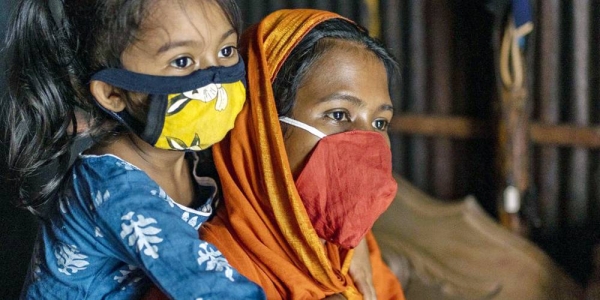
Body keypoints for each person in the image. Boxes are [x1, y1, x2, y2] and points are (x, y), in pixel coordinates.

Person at [3, 0, 265, 299]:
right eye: (182, 61)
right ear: (113, 94)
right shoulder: (111, 186)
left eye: (226, 51)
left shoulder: (194, 161)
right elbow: (206, 285)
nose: (215, 79)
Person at [147, 8, 406, 300]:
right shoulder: (206, 275)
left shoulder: (352, 250)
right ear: (262, 127)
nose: (367, 141)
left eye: (380, 122)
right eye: (338, 114)